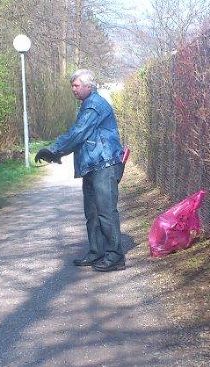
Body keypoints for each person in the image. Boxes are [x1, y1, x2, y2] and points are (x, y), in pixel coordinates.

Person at [35, 69, 126, 272]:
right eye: (72, 86)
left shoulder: (94, 105)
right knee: (92, 212)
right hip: (93, 165)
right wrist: (57, 153)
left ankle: (115, 257)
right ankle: (97, 252)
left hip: (105, 163)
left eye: (76, 85)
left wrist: (53, 149)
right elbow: (81, 138)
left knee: (106, 212)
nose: (73, 89)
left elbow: (78, 133)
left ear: (88, 85)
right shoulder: (87, 105)